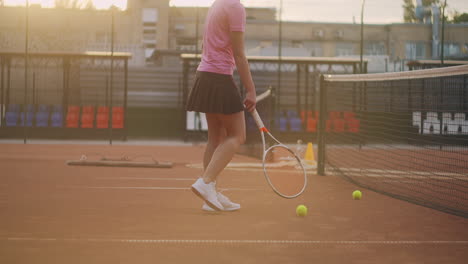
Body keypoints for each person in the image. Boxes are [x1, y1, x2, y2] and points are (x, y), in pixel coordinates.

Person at [187, 0, 256, 211]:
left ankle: (211, 195)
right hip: (218, 77)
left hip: (206, 75)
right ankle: (206, 182)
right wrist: (250, 90)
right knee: (238, 136)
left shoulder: (217, 4)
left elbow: (206, 45)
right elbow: (239, 54)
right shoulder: (235, 7)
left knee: (215, 139)